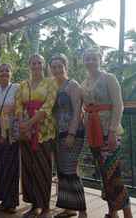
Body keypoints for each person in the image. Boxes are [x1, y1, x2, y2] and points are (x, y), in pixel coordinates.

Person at [81, 49, 132, 218]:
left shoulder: (109, 78)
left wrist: (111, 131)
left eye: (93, 58)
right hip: (93, 133)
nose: (90, 62)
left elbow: (119, 105)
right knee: (104, 173)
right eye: (87, 59)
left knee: (114, 174)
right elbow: (85, 107)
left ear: (99, 59)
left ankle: (127, 212)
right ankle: (113, 212)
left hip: (108, 132)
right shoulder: (84, 83)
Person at [15, 53, 57, 218]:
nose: (36, 66)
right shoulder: (23, 84)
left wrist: (30, 123)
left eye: (39, 63)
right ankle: (34, 205)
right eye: (33, 63)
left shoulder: (50, 82)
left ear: (43, 65)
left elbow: (48, 106)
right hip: (26, 131)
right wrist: (22, 123)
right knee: (28, 168)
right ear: (29, 65)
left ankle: (45, 207)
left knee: (43, 168)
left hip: (43, 131)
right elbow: (18, 104)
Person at [50, 54, 87, 218]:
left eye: (60, 66)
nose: (57, 69)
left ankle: (82, 211)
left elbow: (78, 111)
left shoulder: (72, 85)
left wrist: (72, 133)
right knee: (62, 171)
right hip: (58, 134)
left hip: (73, 133)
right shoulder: (53, 87)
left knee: (71, 171)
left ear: (65, 66)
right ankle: (68, 208)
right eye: (54, 67)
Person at [0, 63, 20, 214]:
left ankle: (12, 202)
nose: (4, 73)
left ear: (11, 73)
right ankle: (3, 199)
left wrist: (11, 112)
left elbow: (20, 106)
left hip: (11, 132)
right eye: (1, 71)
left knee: (12, 165)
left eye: (7, 71)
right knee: (0, 165)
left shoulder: (16, 88)